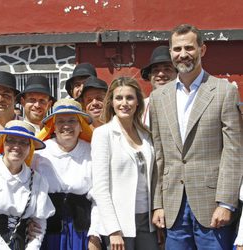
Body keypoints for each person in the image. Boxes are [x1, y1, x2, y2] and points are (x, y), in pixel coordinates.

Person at [150, 24, 243, 250]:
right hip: (173, 205)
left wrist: (226, 203)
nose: (183, 54)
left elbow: (233, 151)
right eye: (177, 49)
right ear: (171, 52)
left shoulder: (223, 91)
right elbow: (159, 154)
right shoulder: (158, 97)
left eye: (189, 48)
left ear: (202, 50)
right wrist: (158, 204)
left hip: (212, 205)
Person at [91, 76, 158, 250]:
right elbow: (100, 188)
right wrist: (113, 230)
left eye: (130, 97)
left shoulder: (146, 135)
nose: (124, 103)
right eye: (118, 98)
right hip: (119, 223)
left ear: (138, 103)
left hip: (147, 221)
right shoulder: (103, 134)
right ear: (111, 103)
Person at [31, 98, 99, 250]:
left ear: (80, 125)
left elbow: (98, 198)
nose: (66, 125)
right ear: (53, 127)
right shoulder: (40, 153)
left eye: (72, 120)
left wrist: (95, 234)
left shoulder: (92, 152)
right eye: (60, 121)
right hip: (47, 232)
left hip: (81, 233)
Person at [0, 120, 55, 249]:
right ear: (3, 143)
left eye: (23, 142)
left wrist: (33, 248)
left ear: (30, 147)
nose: (16, 146)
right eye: (11, 140)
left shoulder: (38, 180)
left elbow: (39, 222)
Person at [140, 46, 177, 127]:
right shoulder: (140, 107)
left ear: (177, 74)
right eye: (156, 70)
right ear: (150, 76)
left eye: (167, 69)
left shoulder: (184, 103)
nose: (161, 74)